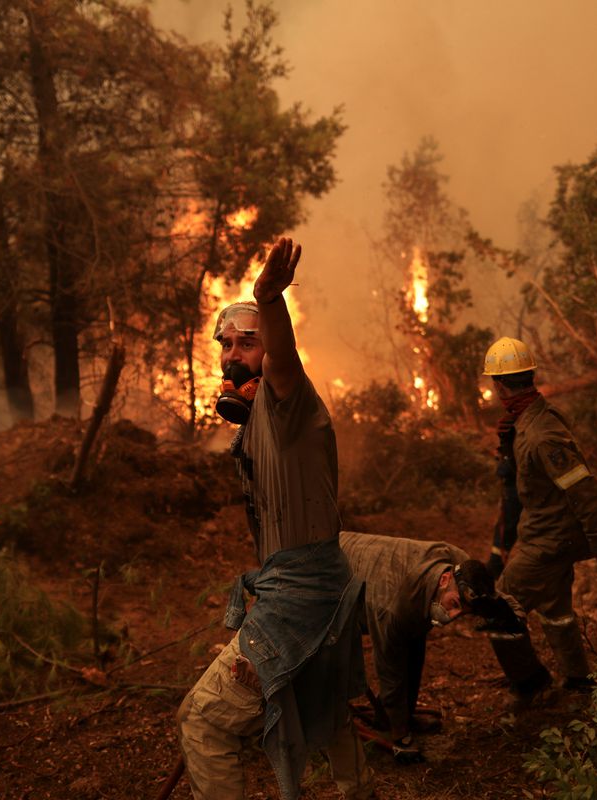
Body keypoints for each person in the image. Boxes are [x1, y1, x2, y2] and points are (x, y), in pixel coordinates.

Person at [176, 238, 374, 800]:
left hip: (303, 597)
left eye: (249, 343)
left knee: (204, 723)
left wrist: (270, 300)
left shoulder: (289, 401)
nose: (234, 355)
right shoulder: (255, 420)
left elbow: (284, 361)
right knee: (327, 706)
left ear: (270, 350)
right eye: (227, 345)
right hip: (310, 587)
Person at [481, 337, 597, 710]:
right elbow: (526, 486)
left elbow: (586, 491)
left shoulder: (542, 435)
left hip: (548, 540)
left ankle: (530, 686)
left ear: (499, 386)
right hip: (545, 534)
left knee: (500, 611)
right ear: (530, 376)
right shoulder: (532, 420)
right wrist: (508, 447)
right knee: (555, 608)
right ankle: (579, 682)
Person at [338, 531, 526, 764]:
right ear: (444, 580)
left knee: (416, 640)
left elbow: (493, 594)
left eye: (463, 612)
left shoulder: (459, 562)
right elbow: (390, 670)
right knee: (388, 653)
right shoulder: (392, 605)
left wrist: (515, 614)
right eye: (455, 605)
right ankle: (393, 726)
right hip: (337, 568)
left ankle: (403, 716)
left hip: (390, 575)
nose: (453, 616)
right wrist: (401, 738)